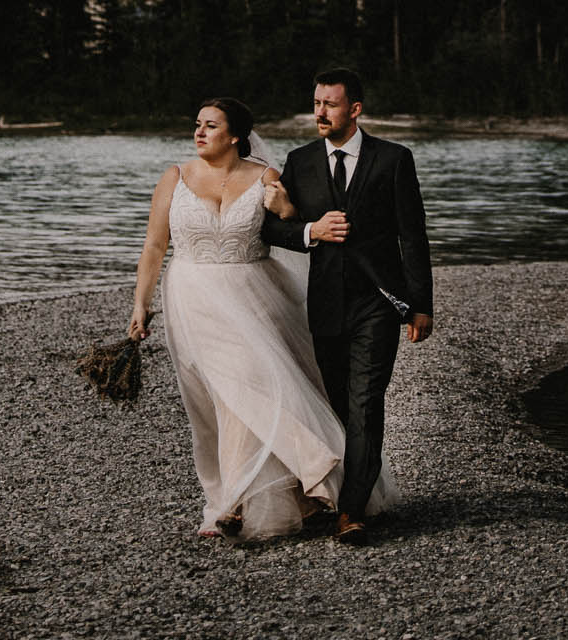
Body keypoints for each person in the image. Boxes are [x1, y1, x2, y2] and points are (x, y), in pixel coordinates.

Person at [128, 94, 391, 543]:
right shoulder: (175, 177)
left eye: (210, 126)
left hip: (256, 293)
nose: (199, 132)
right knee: (218, 401)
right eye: (197, 124)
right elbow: (155, 246)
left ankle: (270, 487)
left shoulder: (267, 176)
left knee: (249, 388)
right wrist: (141, 302)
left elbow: (291, 227)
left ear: (235, 136)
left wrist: (285, 207)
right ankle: (260, 485)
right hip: (192, 294)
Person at [262, 67, 433, 545]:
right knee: (338, 403)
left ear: (354, 109)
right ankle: (337, 491)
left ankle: (351, 512)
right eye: (316, 103)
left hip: (379, 301)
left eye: (330, 104)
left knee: (365, 403)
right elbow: (270, 230)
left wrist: (421, 305)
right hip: (324, 303)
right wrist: (309, 231)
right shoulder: (299, 162)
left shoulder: (394, 159)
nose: (320, 111)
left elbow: (412, 234)